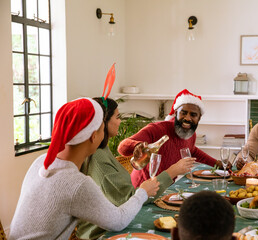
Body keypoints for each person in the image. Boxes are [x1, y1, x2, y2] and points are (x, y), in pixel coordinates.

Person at [9, 98, 159, 240]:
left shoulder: (41, 161)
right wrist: (143, 192)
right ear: (94, 137)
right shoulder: (76, 184)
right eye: (102, 130)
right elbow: (118, 221)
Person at [76, 97, 195, 239]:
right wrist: (172, 172)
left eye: (193, 115)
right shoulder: (98, 157)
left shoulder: (102, 149)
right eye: (117, 117)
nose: (120, 121)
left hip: (119, 222)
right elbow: (129, 199)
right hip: (102, 233)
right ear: (103, 122)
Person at [118, 89, 225, 187]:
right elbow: (122, 147)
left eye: (193, 115)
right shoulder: (156, 129)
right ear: (175, 113)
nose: (187, 118)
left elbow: (192, 150)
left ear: (199, 118)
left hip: (166, 187)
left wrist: (217, 163)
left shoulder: (191, 134)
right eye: (183, 113)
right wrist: (137, 146)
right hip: (143, 189)